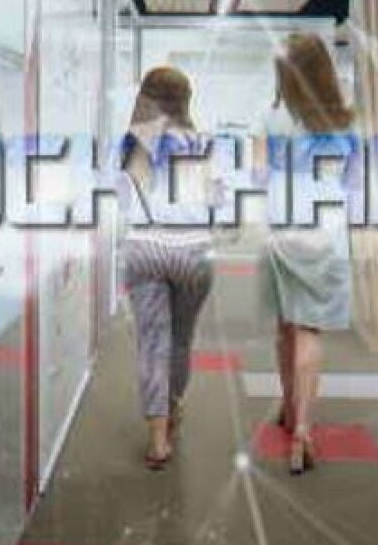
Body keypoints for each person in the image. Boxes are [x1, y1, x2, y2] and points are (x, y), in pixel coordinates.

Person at [252, 32, 356, 474]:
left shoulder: (271, 117)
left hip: (283, 229)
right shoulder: (346, 120)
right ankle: (303, 433)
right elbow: (353, 179)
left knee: (285, 327)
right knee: (310, 330)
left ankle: (289, 407)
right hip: (327, 232)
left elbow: (258, 177)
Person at [121, 66, 215, 470]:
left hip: (145, 248)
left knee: (152, 343)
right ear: (185, 101)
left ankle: (158, 440)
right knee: (179, 341)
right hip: (192, 251)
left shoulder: (135, 140)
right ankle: (173, 405)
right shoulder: (202, 142)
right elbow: (216, 200)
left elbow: (125, 195)